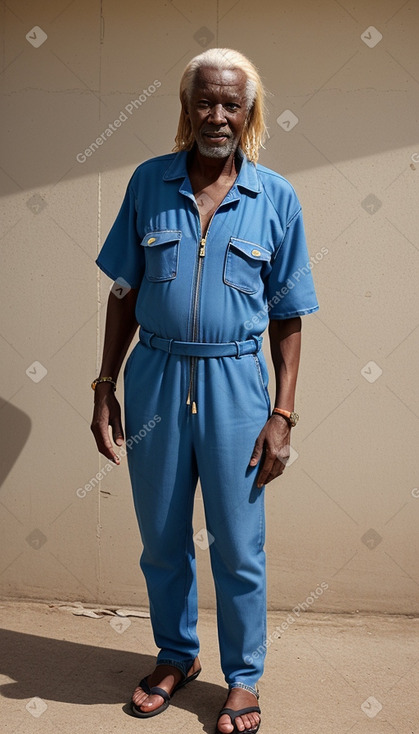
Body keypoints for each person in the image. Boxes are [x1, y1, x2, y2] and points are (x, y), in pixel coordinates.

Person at [91, 47, 319, 734]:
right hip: (155, 376)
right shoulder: (146, 184)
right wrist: (105, 385)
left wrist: (281, 413)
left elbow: (288, 314)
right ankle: (176, 654)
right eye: (204, 100)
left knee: (236, 543)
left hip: (235, 383)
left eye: (231, 102)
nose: (216, 114)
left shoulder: (274, 195)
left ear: (248, 112)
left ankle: (242, 678)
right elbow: (124, 293)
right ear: (186, 107)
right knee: (162, 538)